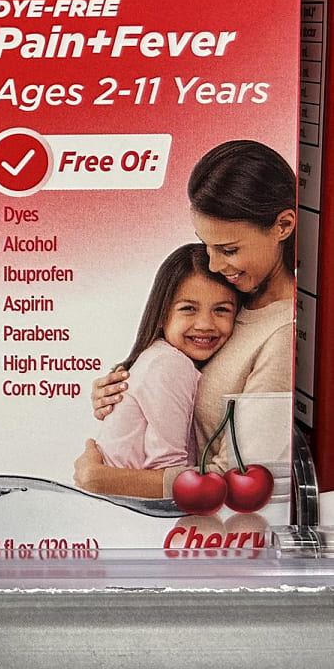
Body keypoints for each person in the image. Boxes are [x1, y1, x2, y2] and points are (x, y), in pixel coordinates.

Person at [76, 140, 295, 499]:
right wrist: (128, 394)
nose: (214, 265)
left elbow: (243, 478)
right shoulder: (233, 296)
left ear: (283, 226)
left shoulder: (283, 334)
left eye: (228, 250)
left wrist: (102, 479)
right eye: (206, 245)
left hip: (209, 522)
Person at [93, 244, 237, 472]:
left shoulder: (163, 359)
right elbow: (167, 467)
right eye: (188, 308)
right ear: (161, 314)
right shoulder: (170, 365)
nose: (205, 325)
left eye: (221, 310)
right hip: (128, 494)